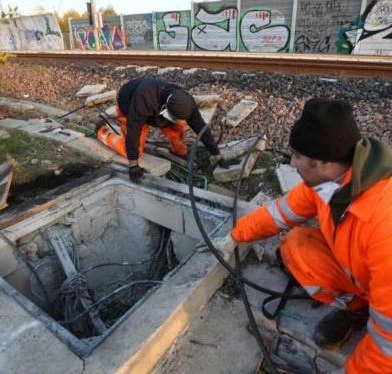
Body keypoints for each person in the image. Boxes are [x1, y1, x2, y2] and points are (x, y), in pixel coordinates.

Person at [204, 98, 392, 373]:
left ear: (324, 162)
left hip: (383, 287)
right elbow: (280, 213)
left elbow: (388, 340)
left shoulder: (384, 224)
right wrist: (235, 235)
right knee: (295, 244)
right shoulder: (331, 179)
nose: (291, 163)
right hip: (361, 275)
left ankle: (365, 307)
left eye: (298, 157)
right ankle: (356, 307)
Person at [95, 77, 225, 183]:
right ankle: (102, 131)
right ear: (166, 107)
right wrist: (133, 165)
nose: (174, 120)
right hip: (129, 106)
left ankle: (179, 152)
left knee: (178, 128)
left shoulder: (185, 102)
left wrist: (217, 154)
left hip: (154, 109)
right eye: (173, 117)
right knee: (131, 150)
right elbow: (133, 130)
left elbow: (200, 127)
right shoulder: (145, 98)